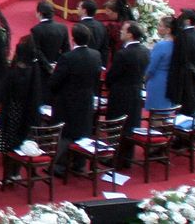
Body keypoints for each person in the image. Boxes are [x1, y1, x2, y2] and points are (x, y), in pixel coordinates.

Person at [50, 23, 104, 176]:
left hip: (67, 100)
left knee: (65, 134)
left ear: (73, 39)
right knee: (83, 131)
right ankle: (79, 165)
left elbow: (56, 81)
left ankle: (60, 166)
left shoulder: (67, 58)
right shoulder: (96, 55)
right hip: (86, 98)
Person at [107, 21, 150, 168]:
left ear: (130, 34)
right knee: (131, 125)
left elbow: (112, 75)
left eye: (123, 30)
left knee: (117, 124)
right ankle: (127, 158)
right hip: (136, 92)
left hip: (121, 93)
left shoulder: (123, 53)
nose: (120, 32)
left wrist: (109, 84)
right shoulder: (145, 50)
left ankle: (115, 158)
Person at [0, 38, 44, 159]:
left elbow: (4, 91)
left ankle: (9, 167)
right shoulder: (34, 69)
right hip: (28, 111)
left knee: (10, 139)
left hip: (13, 110)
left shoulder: (15, 73)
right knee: (20, 138)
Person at [167, 8, 195, 119]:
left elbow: (181, 60)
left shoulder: (183, 36)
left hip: (183, 82)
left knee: (184, 114)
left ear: (188, 21)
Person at [146, 16, 179, 116]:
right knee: (166, 114)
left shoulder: (161, 45)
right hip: (171, 80)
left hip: (158, 82)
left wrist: (145, 78)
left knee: (157, 114)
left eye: (160, 25)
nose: (157, 27)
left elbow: (151, 68)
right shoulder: (178, 44)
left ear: (168, 30)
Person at [30, 0, 71, 68]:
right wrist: (59, 64)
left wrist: (48, 66)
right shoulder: (63, 28)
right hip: (58, 66)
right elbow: (66, 49)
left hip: (42, 67)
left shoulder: (36, 30)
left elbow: (37, 51)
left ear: (39, 13)